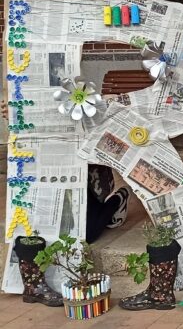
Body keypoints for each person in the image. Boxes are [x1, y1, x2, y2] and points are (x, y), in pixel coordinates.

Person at [1, 98, 129, 243]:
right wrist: (12, 112)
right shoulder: (24, 92)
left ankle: (118, 199)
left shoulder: (78, 93)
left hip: (79, 175)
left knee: (87, 234)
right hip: (41, 172)